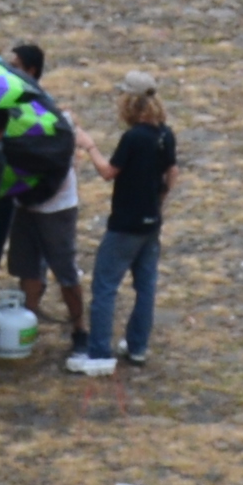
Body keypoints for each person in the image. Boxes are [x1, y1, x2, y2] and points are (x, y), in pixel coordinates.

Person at [81, 85, 177, 377]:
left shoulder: (133, 137)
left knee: (105, 287)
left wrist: (89, 146)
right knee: (145, 286)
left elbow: (109, 172)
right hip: (151, 222)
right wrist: (158, 203)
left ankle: (98, 352)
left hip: (125, 224)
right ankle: (137, 346)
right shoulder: (165, 134)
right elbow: (172, 172)